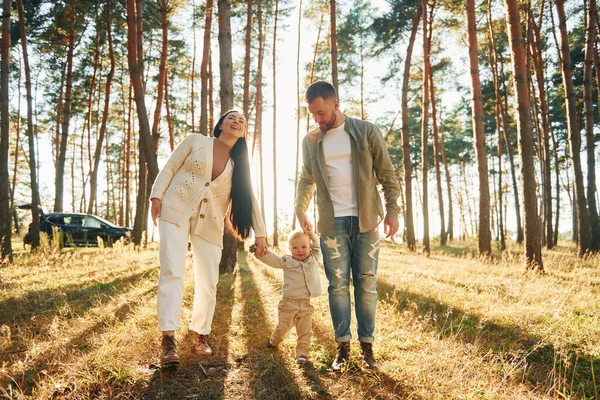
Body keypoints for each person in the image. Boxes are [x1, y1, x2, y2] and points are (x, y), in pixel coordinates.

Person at [295, 81, 400, 371]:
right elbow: (306, 179)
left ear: (336, 104)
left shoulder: (366, 131)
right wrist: (299, 208)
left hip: (366, 220)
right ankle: (342, 347)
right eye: (313, 114)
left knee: (366, 284)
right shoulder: (312, 141)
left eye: (322, 112)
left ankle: (367, 348)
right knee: (337, 286)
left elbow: (387, 172)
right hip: (332, 222)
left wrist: (393, 210)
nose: (318, 119)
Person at [150, 110, 268, 367]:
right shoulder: (196, 141)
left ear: (244, 132)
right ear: (220, 125)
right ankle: (168, 339)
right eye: (231, 118)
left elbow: (250, 200)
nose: (237, 122)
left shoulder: (239, 166)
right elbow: (170, 167)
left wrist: (261, 233)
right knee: (172, 271)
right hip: (176, 209)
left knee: (208, 280)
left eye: (242, 121)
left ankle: (201, 333)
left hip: (211, 223)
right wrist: (156, 196)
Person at [250, 230, 323, 365]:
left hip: (306, 304)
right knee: (283, 328)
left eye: (303, 247)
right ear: (289, 249)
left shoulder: (313, 258)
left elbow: (318, 245)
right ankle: (273, 341)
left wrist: (311, 233)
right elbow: (272, 259)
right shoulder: (286, 261)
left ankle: (302, 354)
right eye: (295, 247)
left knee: (305, 331)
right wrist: (259, 252)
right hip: (288, 304)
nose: (300, 250)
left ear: (310, 247)